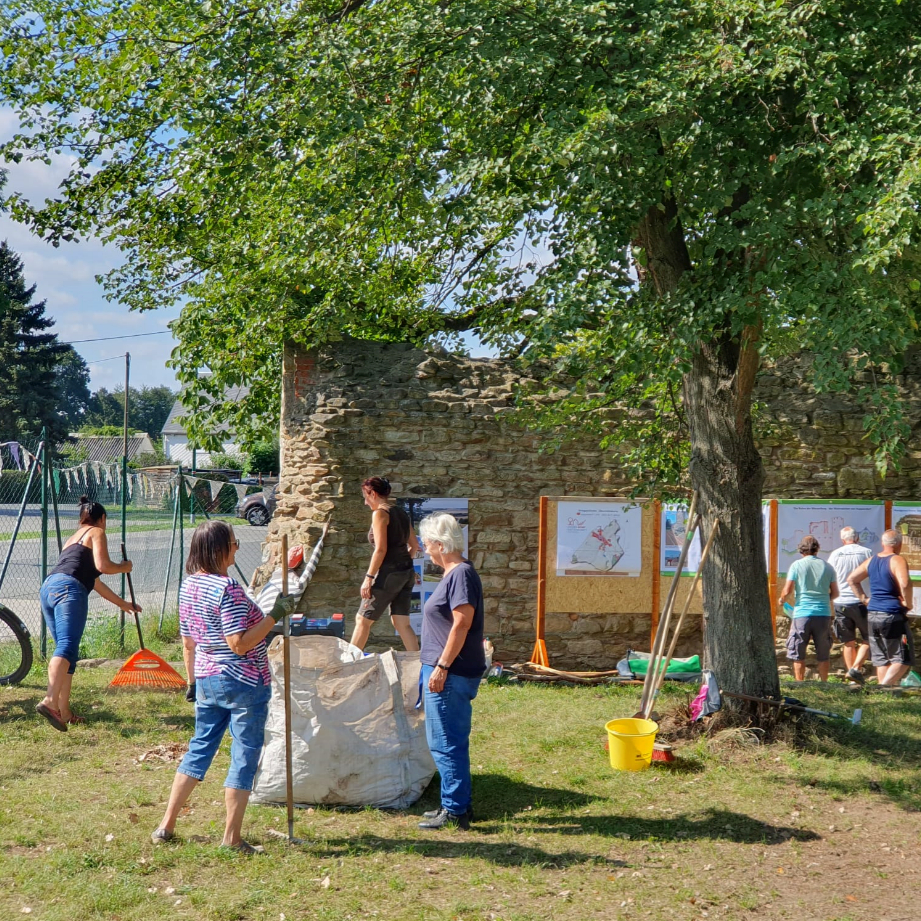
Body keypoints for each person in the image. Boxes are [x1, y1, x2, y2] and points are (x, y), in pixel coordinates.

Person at [151, 520, 295, 853]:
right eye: (234, 544)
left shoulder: (189, 586)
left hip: (206, 678)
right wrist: (275, 614)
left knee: (200, 748)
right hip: (244, 681)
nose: (237, 549)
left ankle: (166, 825)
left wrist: (192, 681)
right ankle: (231, 838)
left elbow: (188, 642)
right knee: (243, 754)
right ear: (219, 550)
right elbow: (239, 644)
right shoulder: (227, 589)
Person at [36, 497, 138, 732]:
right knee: (67, 647)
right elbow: (103, 566)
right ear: (102, 518)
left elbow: (95, 581)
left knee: (67, 651)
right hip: (69, 590)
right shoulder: (96, 532)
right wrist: (124, 567)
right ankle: (50, 701)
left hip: (49, 588)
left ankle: (64, 711)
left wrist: (123, 604)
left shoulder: (73, 539)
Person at [417, 513, 485, 830]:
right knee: (447, 740)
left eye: (427, 543)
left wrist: (442, 666)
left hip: (451, 673)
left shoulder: (461, 574)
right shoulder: (455, 574)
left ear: (441, 545)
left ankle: (455, 811)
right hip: (447, 671)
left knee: (446, 743)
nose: (425, 549)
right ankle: (456, 803)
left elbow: (462, 623)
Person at [349, 476, 421, 652]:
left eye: (366, 497)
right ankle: (418, 664)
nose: (365, 503)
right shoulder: (401, 513)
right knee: (402, 623)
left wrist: (368, 578)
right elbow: (414, 546)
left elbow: (380, 549)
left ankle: (349, 663)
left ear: (373, 494)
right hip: (407, 573)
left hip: (388, 574)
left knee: (362, 620)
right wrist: (404, 565)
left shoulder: (380, 513)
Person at [846, 529, 915, 687]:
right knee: (903, 659)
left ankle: (884, 693)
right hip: (892, 614)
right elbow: (905, 583)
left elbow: (851, 579)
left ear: (883, 543)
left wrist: (864, 599)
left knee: (881, 658)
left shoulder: (871, 560)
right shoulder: (897, 560)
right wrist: (908, 603)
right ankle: (882, 688)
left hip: (873, 614)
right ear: (899, 544)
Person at [779, 535, 838, 681]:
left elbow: (787, 590)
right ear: (817, 549)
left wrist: (782, 599)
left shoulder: (796, 565)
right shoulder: (828, 567)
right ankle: (824, 682)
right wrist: (824, 599)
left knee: (798, 651)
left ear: (801, 550)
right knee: (823, 653)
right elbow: (835, 593)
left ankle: (800, 682)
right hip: (823, 613)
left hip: (802, 613)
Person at [827, 526, 873, 684]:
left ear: (842, 540)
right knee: (869, 637)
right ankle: (855, 669)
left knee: (848, 642)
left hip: (840, 602)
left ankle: (852, 675)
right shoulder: (867, 552)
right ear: (857, 538)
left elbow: (829, 576)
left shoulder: (835, 554)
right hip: (861, 601)